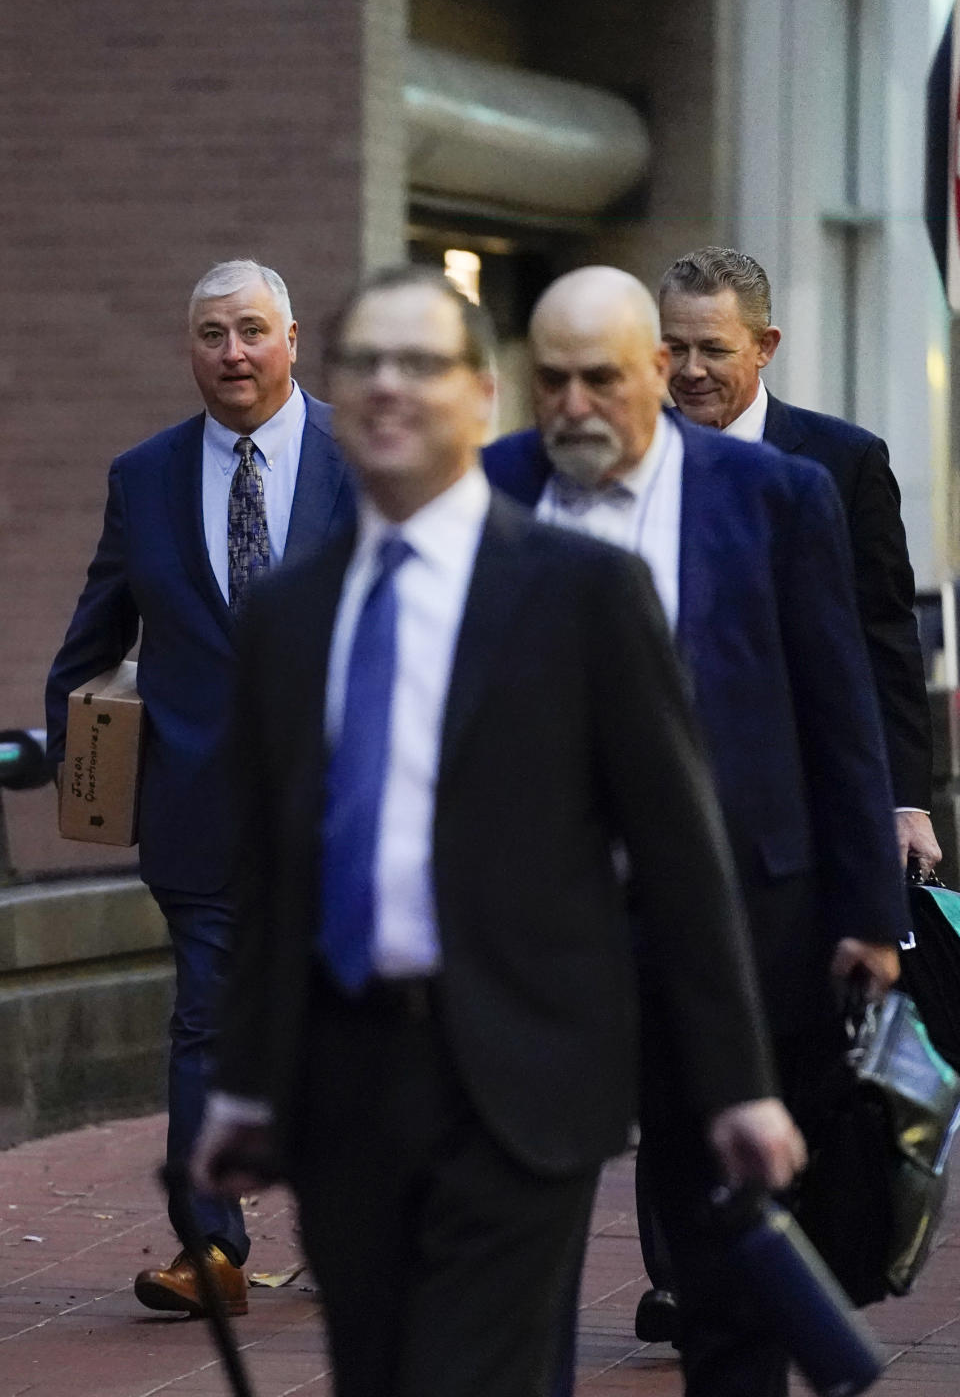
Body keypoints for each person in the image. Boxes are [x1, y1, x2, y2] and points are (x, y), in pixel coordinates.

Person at [190, 266, 805, 1397]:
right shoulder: (289, 616)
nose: (389, 387)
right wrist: (241, 1085)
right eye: (365, 363)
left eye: (421, 363)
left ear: (481, 396)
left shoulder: (583, 594)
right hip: (345, 1089)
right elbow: (277, 867)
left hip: (521, 1079)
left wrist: (738, 1087)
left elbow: (680, 854)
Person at [483, 265, 908, 1397]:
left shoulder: (773, 497)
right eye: (553, 380)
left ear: (656, 373)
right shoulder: (488, 492)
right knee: (514, 1247)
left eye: (602, 379)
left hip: (728, 927)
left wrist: (868, 908)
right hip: (539, 941)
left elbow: (840, 706)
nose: (574, 406)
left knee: (728, 1252)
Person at [45, 259, 352, 1315]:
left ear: (293, 339)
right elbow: (93, 635)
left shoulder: (366, 462)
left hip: (345, 811)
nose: (234, 353)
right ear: (192, 351)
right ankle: (210, 1250)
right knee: (208, 1024)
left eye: (252, 330)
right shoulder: (146, 476)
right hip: (200, 807)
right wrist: (82, 766)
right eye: (213, 334)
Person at [659, 245, 939, 876]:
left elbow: (884, 636)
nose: (690, 370)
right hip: (660, 806)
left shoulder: (843, 463)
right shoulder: (633, 457)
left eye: (714, 349)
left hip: (800, 813)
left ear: (765, 346)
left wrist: (904, 803)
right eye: (674, 348)